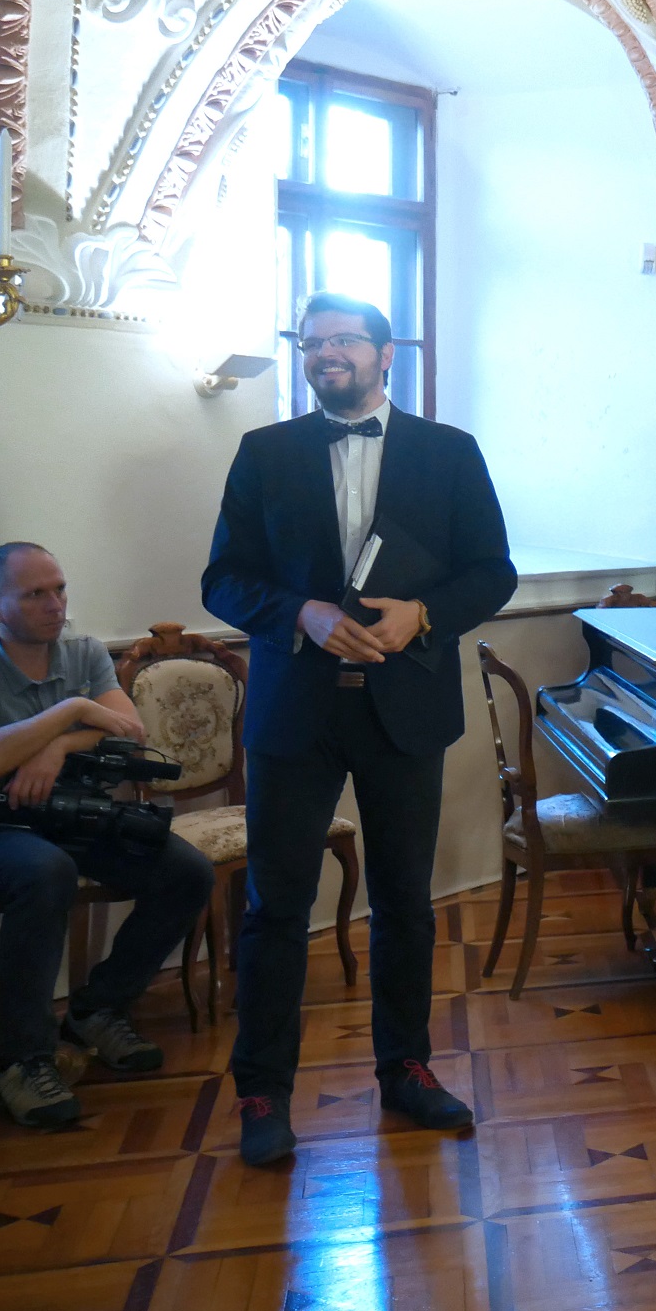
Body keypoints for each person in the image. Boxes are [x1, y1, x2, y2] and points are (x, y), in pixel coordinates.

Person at [203, 293, 516, 1166]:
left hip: (404, 708)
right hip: (295, 712)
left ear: (385, 355)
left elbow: (494, 571)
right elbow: (222, 579)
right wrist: (297, 612)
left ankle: (406, 1070)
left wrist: (425, 615)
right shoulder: (264, 452)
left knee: (406, 903)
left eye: (343, 339)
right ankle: (263, 1091)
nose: (325, 352)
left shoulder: (450, 452)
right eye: (312, 342)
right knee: (275, 909)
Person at [0, 543, 214, 1130]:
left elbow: (127, 730)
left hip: (76, 810)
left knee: (185, 872)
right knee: (46, 873)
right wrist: (72, 710)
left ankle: (97, 1010)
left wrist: (56, 747)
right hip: (7, 824)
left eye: (60, 588)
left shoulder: (84, 650)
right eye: (35, 594)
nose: (55, 604)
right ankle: (22, 1057)